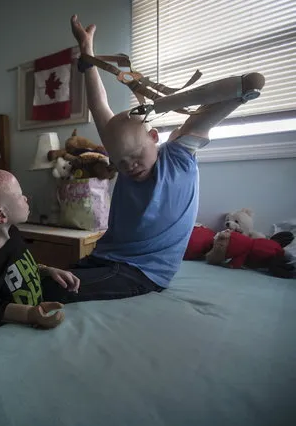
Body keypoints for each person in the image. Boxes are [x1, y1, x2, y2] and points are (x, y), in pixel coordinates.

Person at [41, 16, 266, 304]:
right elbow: (99, 105)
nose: (129, 166)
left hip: (142, 272)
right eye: (120, 162)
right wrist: (86, 52)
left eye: (135, 156)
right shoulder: (123, 154)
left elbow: (245, 86)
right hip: (105, 257)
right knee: (42, 280)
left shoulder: (179, 156)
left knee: (51, 292)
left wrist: (162, 104)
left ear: (155, 137)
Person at [0, 168, 80, 334]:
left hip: (33, 318)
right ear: (1, 215)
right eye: (20, 195)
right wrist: (30, 314)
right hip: (10, 329)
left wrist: (48, 270)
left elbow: (20, 267)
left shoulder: (12, 232)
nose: (26, 199)